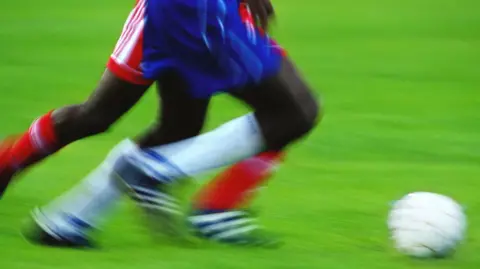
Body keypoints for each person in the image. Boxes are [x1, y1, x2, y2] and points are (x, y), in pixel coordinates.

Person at [17, 0, 320, 248]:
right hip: (197, 13)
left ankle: (68, 221)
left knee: (179, 127)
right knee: (295, 112)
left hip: (188, 12)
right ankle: (160, 176)